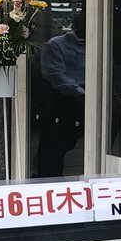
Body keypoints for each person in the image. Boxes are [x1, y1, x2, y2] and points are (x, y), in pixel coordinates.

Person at [35, 20, 85, 176]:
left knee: (69, 145)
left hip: (83, 99)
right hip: (61, 100)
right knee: (53, 147)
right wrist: (81, 93)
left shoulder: (95, 45)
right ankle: (47, 183)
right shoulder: (56, 44)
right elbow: (54, 74)